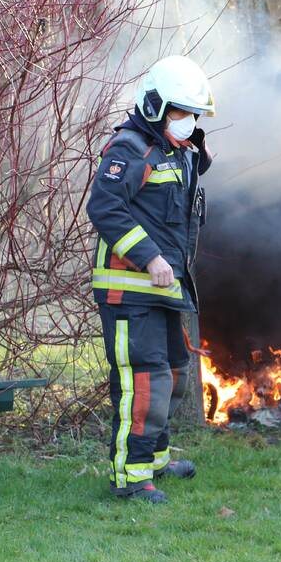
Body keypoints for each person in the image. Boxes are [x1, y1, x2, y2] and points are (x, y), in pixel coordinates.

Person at [87, 55, 214, 503]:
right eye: (180, 112)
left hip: (165, 290)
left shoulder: (176, 152)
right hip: (130, 291)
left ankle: (155, 459)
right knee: (146, 381)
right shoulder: (129, 149)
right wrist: (149, 257)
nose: (188, 121)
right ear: (156, 105)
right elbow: (104, 207)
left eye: (192, 113)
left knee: (176, 377)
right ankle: (131, 476)